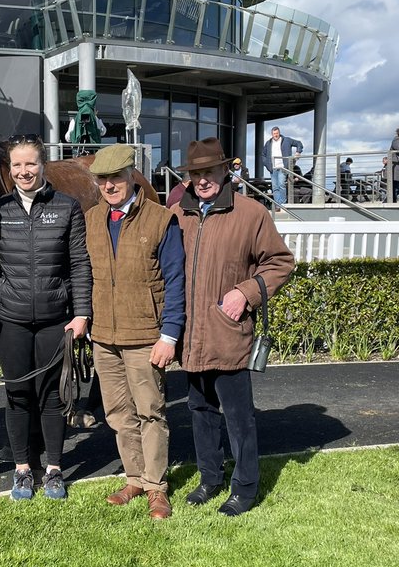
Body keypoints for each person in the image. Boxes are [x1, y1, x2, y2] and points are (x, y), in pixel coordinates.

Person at [0, 135, 91, 501]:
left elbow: (79, 264)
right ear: (9, 169)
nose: (24, 171)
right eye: (17, 165)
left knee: (53, 397)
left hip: (56, 318)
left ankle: (54, 468)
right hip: (12, 319)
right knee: (18, 395)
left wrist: (82, 313)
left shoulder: (67, 207)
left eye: (31, 164)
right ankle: (23, 470)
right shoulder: (0, 210)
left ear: (43, 166)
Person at [170, 138, 295, 516]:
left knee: (239, 417)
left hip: (228, 331)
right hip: (191, 334)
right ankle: (210, 478)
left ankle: (245, 487)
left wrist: (246, 292)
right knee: (199, 409)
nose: (203, 179)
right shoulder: (177, 214)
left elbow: (280, 262)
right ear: (189, 178)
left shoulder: (251, 213)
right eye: (196, 173)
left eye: (210, 171)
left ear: (225, 170)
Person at [86, 144, 185, 520]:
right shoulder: (92, 218)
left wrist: (169, 335)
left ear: (131, 176)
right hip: (105, 338)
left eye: (116, 177)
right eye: (103, 179)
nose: (110, 185)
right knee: (118, 414)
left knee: (150, 412)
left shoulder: (161, 219)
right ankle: (135, 478)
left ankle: (157, 487)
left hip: (147, 336)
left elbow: (176, 280)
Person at [262, 126, 303, 206]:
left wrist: (298, 152)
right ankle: (278, 205)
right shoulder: (268, 143)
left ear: (279, 133)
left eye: (277, 133)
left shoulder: (287, 140)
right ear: (272, 134)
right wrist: (267, 164)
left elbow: (299, 143)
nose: (276, 135)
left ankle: (283, 204)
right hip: (273, 168)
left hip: (283, 167)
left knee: (281, 185)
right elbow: (263, 155)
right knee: (275, 187)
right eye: (274, 134)